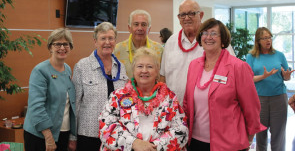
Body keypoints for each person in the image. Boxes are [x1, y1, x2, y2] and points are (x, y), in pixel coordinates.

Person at [183, 18, 266, 151]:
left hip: (229, 143)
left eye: (214, 33)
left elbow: (251, 106)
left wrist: (250, 137)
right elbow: (187, 102)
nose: (208, 37)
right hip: (196, 141)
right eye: (205, 33)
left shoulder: (238, 67)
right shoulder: (194, 65)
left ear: (223, 40)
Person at [99, 47, 188, 151]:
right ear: (133, 70)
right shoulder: (117, 96)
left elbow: (182, 130)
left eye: (150, 66)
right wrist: (134, 143)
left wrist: (153, 147)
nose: (144, 70)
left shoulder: (170, 97)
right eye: (140, 66)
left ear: (157, 71)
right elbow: (106, 126)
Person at [160, 0, 235, 104]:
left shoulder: (215, 40)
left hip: (207, 109)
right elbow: (163, 76)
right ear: (178, 18)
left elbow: (233, 72)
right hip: (174, 109)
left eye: (191, 13)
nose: (186, 18)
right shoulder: (171, 42)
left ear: (201, 15)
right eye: (183, 14)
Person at [72, 22, 128, 151]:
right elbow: (75, 105)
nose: (107, 42)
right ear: (95, 42)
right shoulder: (82, 66)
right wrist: (73, 137)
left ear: (115, 41)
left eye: (111, 38)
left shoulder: (121, 67)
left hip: (115, 133)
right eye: (103, 38)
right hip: (89, 134)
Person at [23, 28, 76, 151]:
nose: (62, 48)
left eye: (66, 44)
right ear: (50, 47)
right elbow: (36, 107)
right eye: (57, 44)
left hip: (62, 133)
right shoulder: (40, 71)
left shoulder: (68, 69)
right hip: (40, 135)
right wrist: (48, 137)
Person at [246, 27, 295, 151]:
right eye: (264, 38)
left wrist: (287, 76)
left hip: (278, 98)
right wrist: (264, 76)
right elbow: (247, 79)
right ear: (258, 40)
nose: (268, 40)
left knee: (278, 136)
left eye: (269, 37)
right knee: (261, 136)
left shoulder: (279, 55)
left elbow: (286, 76)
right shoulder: (251, 57)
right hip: (259, 99)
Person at [114, 9, 163, 78]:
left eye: (143, 25)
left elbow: (162, 77)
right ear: (129, 28)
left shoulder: (159, 50)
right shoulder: (117, 50)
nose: (140, 28)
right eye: (136, 24)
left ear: (149, 29)